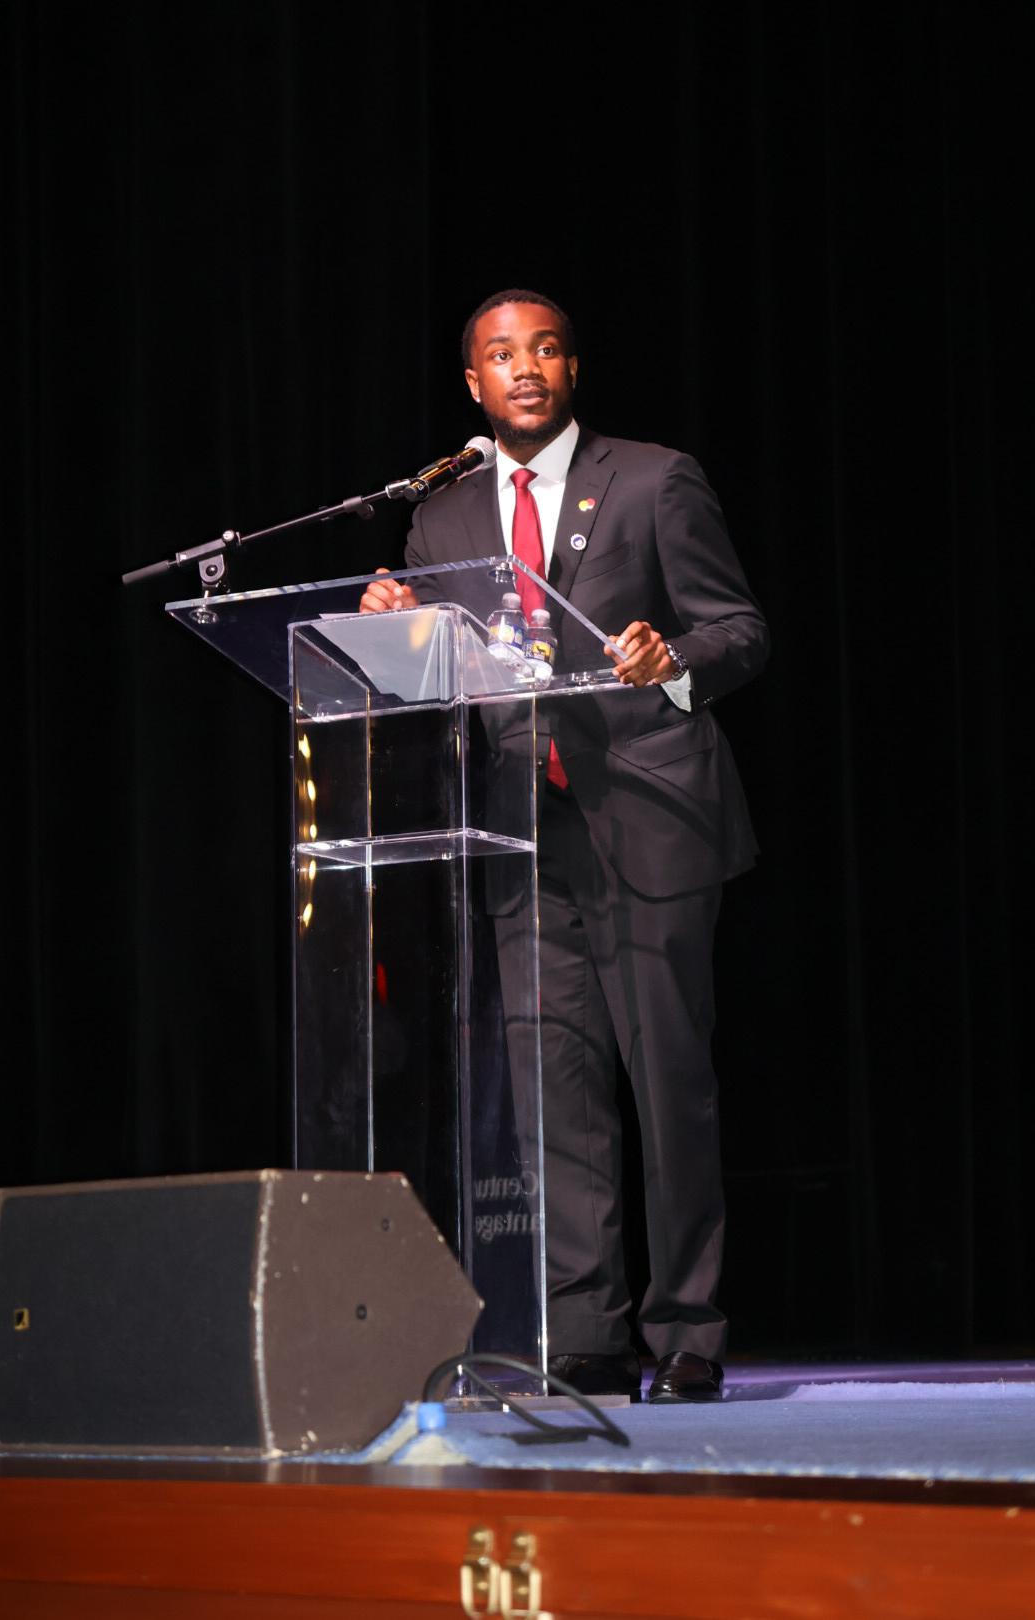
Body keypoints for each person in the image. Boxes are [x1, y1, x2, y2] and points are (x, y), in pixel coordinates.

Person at [360, 289, 768, 1402]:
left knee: (667, 1083)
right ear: (473, 386)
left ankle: (687, 1330)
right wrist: (390, 625)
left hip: (651, 823)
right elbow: (437, 683)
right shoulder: (439, 521)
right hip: (517, 835)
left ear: (572, 369)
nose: (524, 368)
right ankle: (584, 1329)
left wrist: (667, 659)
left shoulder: (652, 478)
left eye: (543, 349)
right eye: (501, 355)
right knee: (558, 1097)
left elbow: (739, 632)